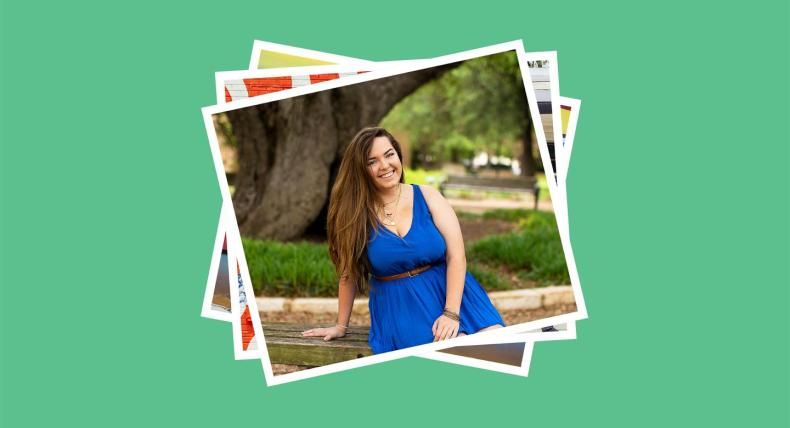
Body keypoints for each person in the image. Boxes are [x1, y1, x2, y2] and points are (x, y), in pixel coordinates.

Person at [302, 127, 504, 353]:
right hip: (400, 304)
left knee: (496, 343)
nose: (385, 166)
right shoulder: (354, 215)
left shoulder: (429, 196)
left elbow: (456, 256)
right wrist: (341, 325)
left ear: (398, 155)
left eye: (389, 155)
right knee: (454, 350)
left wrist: (451, 313)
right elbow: (348, 274)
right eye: (372, 161)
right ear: (361, 169)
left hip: (453, 294)